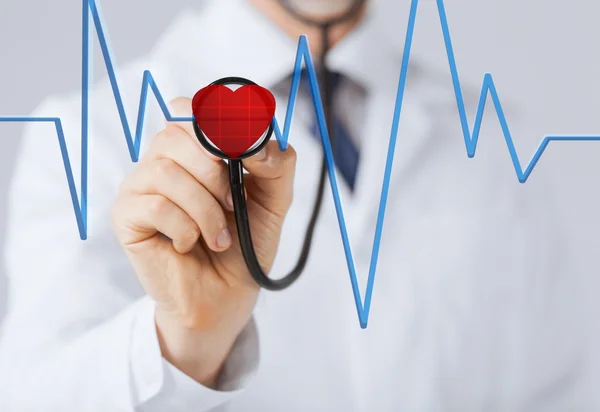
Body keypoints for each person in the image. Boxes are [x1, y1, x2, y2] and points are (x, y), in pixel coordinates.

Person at [0, 0, 595, 410]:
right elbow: (36, 396)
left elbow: (552, 390)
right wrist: (185, 341)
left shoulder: (489, 139)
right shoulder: (87, 134)